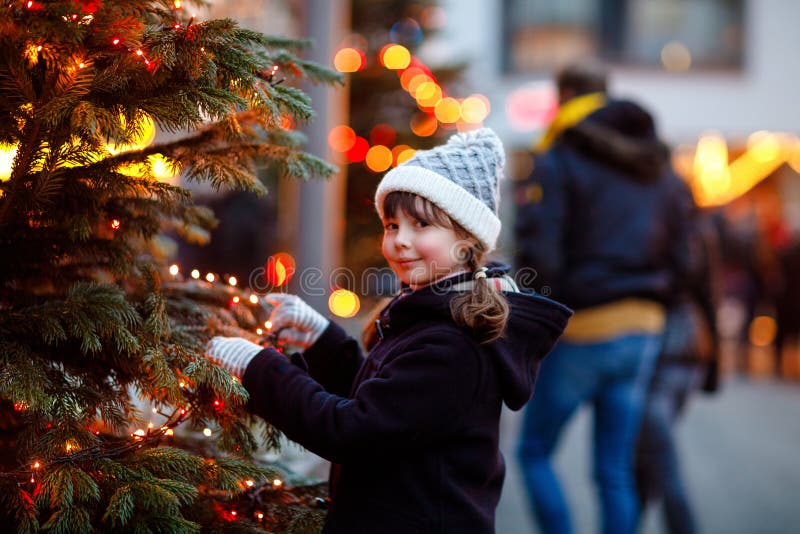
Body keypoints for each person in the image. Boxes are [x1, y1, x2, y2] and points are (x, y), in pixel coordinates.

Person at [205, 128, 572, 533]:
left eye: (421, 225)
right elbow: (387, 404)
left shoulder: (452, 344)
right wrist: (323, 341)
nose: (401, 241)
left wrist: (260, 368)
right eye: (392, 225)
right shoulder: (427, 311)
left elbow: (351, 430)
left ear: (467, 243)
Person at [513, 64, 693, 534]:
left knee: (534, 452)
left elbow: (542, 252)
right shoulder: (659, 167)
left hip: (582, 326)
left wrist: (539, 317)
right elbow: (686, 254)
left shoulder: (560, 157)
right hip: (643, 329)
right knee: (613, 470)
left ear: (565, 95)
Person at [634, 210, 721, 534]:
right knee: (647, 457)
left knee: (657, 458)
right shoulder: (695, 225)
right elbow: (710, 296)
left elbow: (709, 294)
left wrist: (714, 370)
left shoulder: (647, 222)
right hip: (687, 349)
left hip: (668, 350)